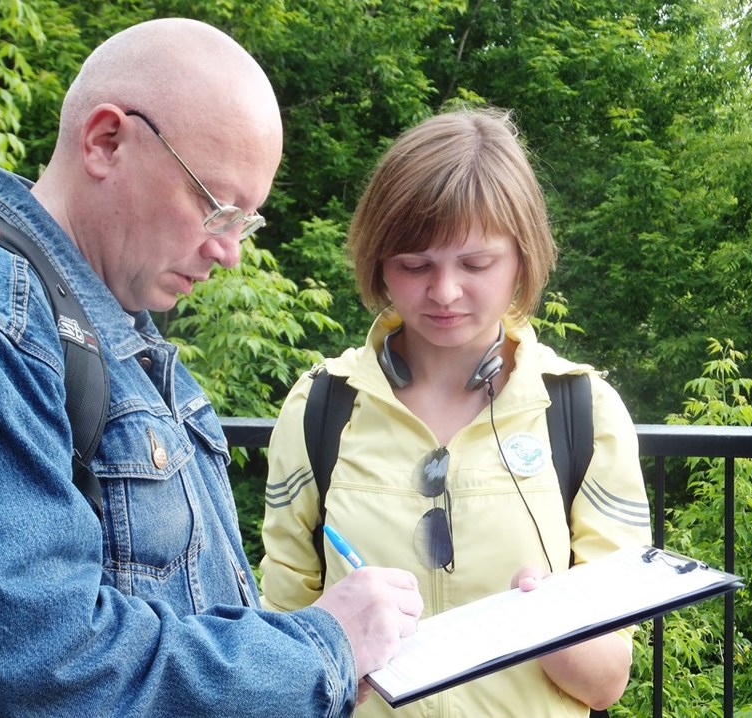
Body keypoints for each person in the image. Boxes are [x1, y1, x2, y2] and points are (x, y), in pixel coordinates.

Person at [0, 18, 423, 717]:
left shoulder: (117, 334)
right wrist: (322, 648)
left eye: (244, 224)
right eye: (216, 207)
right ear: (106, 141)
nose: (229, 253)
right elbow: (36, 663)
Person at [259, 108, 652, 717]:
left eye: (475, 264)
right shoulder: (319, 407)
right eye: (415, 264)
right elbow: (280, 642)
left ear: (523, 258)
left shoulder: (584, 414)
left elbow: (606, 683)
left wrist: (548, 623)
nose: (444, 292)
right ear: (379, 263)